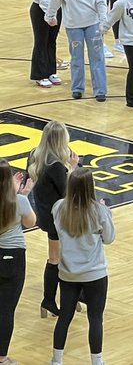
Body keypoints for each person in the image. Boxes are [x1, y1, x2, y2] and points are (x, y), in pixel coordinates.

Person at [50, 168, 115, 365]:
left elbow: (61, 232)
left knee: (64, 317)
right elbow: (109, 239)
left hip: (68, 274)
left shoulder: (58, 207)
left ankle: (56, 360)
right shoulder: (99, 211)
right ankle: (97, 361)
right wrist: (106, 213)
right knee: (95, 318)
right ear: (90, 187)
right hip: (95, 274)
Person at [28, 121, 76, 319]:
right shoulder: (56, 165)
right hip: (58, 217)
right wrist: (72, 168)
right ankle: (48, 300)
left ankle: (76, 294)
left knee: (63, 256)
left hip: (44, 212)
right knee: (56, 259)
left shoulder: (35, 154)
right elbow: (68, 192)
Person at [45, 0, 108, 101]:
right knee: (76, 58)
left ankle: (100, 90)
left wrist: (103, 19)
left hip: (93, 24)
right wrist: (50, 16)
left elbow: (101, 1)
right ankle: (77, 89)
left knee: (97, 57)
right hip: (73, 26)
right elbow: (54, 1)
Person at [0, 159, 37, 362]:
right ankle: (2, 358)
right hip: (13, 257)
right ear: (8, 180)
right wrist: (21, 194)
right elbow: (31, 222)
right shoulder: (19, 201)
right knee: (6, 310)